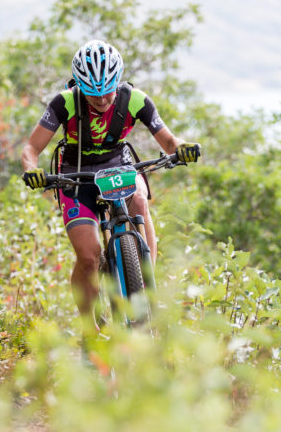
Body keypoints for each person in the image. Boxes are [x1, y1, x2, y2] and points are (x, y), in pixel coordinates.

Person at [21, 39, 199, 332]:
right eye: (93, 95)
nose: (102, 100)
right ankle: (89, 331)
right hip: (76, 175)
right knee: (89, 256)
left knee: (139, 202)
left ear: (117, 81)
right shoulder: (64, 102)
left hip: (119, 164)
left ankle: (145, 284)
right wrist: (32, 170)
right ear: (79, 86)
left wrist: (181, 147)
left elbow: (168, 141)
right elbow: (31, 148)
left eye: (107, 92)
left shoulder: (136, 100)